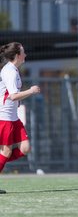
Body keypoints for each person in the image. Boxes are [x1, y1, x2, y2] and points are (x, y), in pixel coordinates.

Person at [0, 42, 41, 194]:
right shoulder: (9, 71)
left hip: (13, 117)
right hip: (4, 117)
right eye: (23, 52)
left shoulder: (14, 70)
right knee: (6, 152)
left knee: (25, 148)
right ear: (17, 55)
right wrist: (30, 91)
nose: (25, 55)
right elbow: (12, 96)